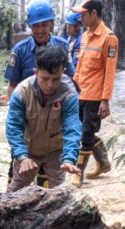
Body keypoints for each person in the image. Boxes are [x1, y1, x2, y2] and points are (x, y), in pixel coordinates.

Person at [4, 0, 74, 189]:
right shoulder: (20, 50)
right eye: (36, 25)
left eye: (44, 24)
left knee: (54, 177)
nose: (40, 29)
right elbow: (12, 85)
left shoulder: (62, 46)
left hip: (54, 115)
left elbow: (71, 80)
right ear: (30, 26)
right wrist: (18, 111)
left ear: (51, 23)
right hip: (29, 114)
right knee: (20, 172)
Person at [6, 47, 82, 191]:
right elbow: (13, 126)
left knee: (59, 193)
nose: (50, 85)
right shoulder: (22, 92)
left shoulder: (69, 94)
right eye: (45, 79)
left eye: (56, 79)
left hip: (55, 151)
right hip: (28, 150)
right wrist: (21, 155)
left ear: (63, 72)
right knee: (16, 190)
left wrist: (69, 158)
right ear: (36, 72)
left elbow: (72, 127)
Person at [70, 0, 118, 187]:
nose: (80, 18)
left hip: (95, 96)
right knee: (81, 130)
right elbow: (80, 65)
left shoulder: (109, 38)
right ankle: (103, 162)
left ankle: (78, 172)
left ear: (94, 14)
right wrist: (73, 84)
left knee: (86, 134)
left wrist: (105, 100)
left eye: (83, 14)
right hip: (81, 93)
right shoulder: (86, 35)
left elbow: (110, 71)